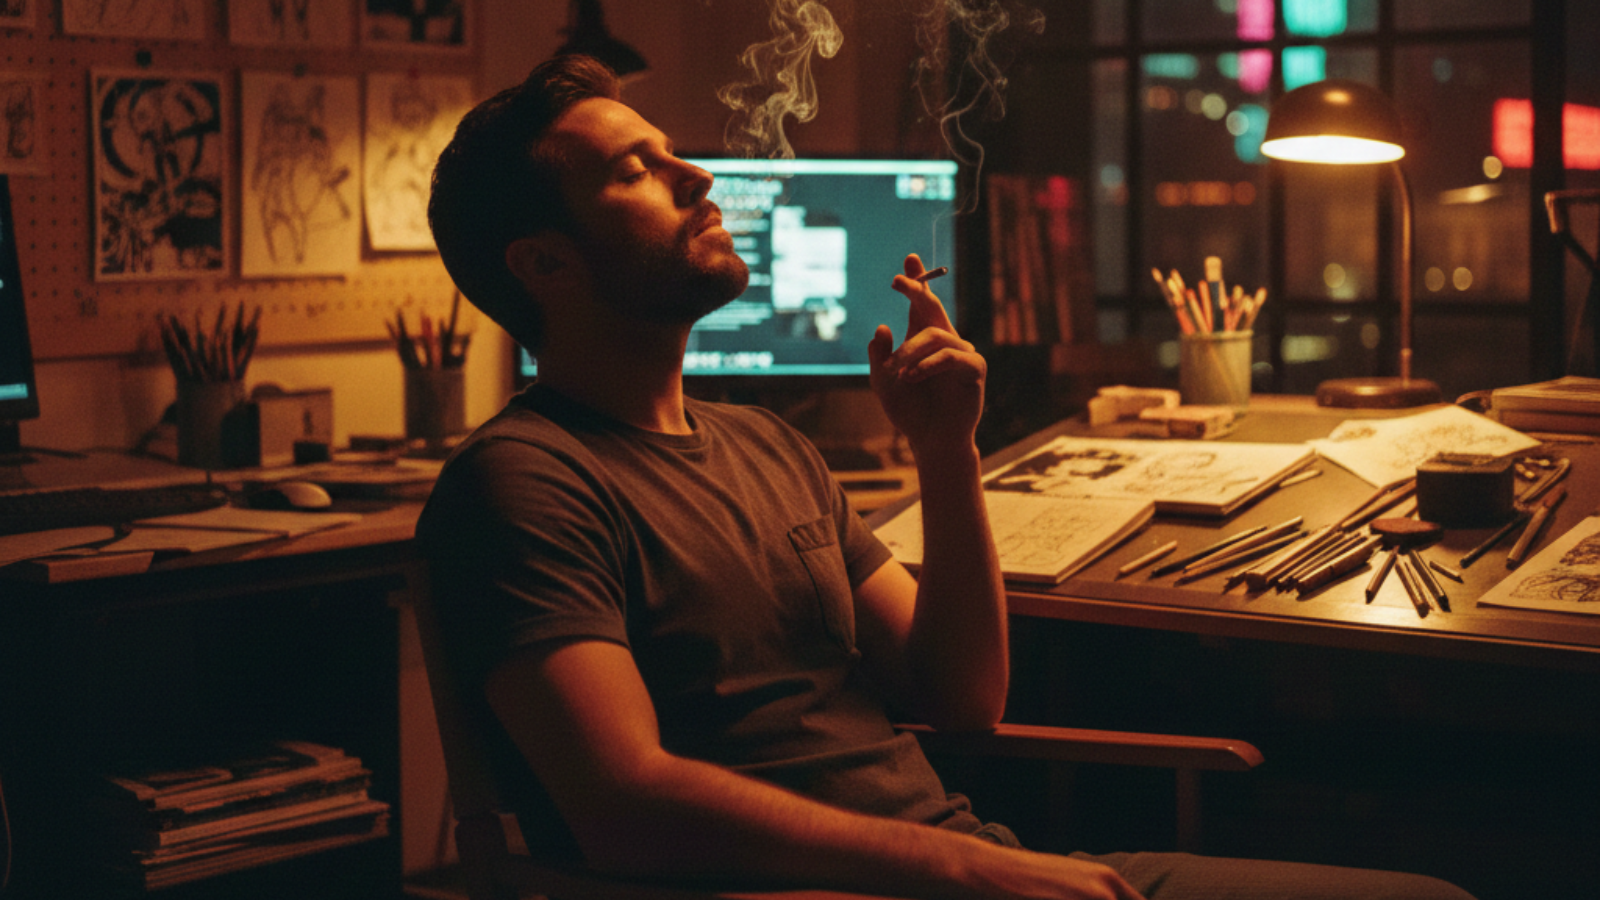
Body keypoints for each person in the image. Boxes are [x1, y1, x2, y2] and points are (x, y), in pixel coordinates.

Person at [418, 53, 1476, 900]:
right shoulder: (523, 486)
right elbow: (624, 804)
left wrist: (944, 450)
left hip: (964, 866)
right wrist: (971, 865)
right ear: (544, 266)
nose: (697, 176)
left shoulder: (766, 448)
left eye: (668, 153)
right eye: (634, 171)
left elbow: (962, 697)